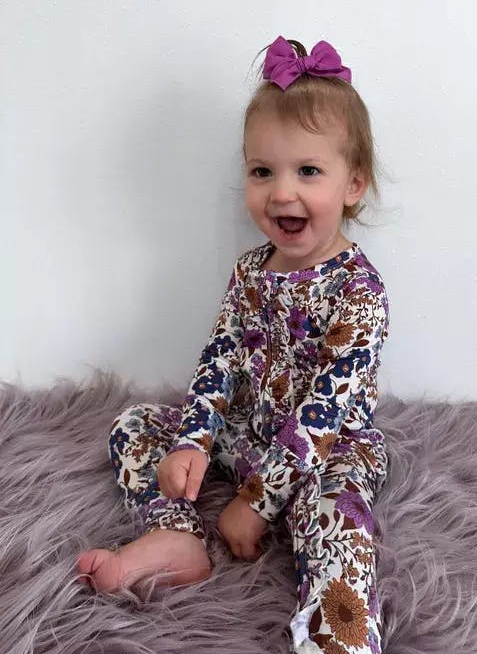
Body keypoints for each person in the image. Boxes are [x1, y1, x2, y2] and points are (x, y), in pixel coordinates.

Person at [77, 36, 390, 654]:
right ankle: (175, 533)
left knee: (339, 525)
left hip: (325, 457)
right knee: (135, 425)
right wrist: (193, 441)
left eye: (308, 171)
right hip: (250, 436)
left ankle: (337, 640)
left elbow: (323, 415)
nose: (281, 192)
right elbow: (219, 358)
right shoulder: (250, 271)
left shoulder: (360, 291)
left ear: (353, 183)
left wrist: (257, 501)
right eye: (262, 171)